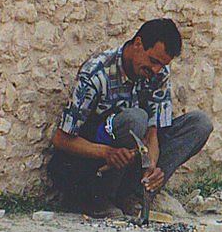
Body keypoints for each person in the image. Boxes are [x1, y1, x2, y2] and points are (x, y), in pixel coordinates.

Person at [48, 18, 213, 219]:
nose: (156, 70)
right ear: (138, 44)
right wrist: (107, 152)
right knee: (136, 119)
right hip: (92, 165)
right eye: (153, 61)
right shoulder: (97, 73)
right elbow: (61, 139)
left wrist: (151, 166)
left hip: (129, 159)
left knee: (199, 124)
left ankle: (135, 194)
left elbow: (153, 133)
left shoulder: (158, 73)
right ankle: (98, 199)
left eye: (162, 65)